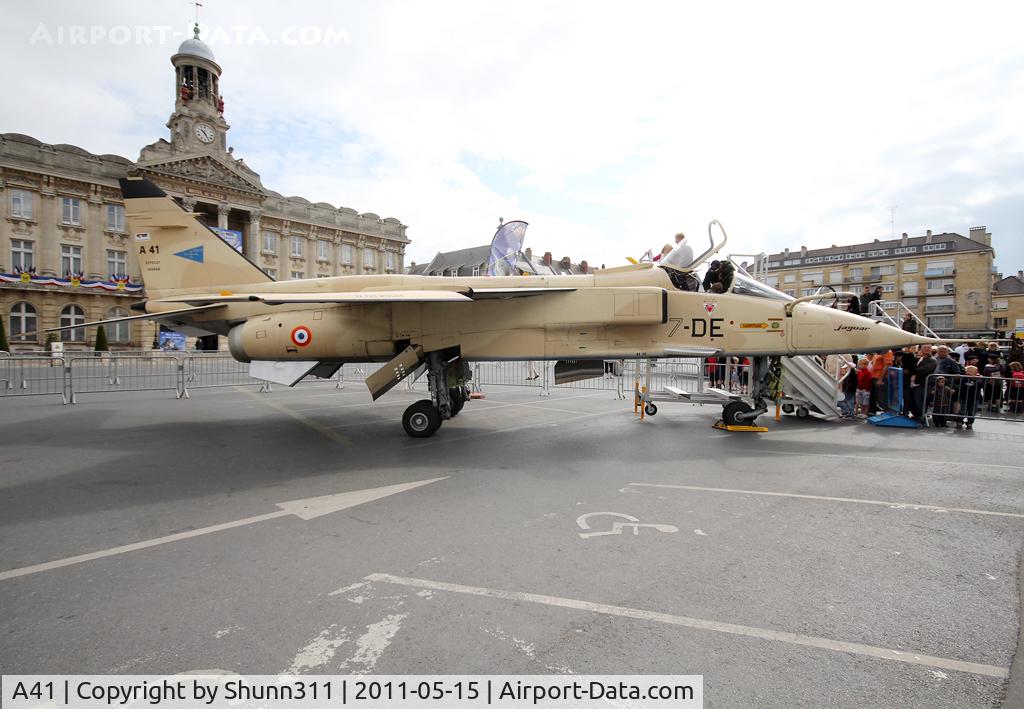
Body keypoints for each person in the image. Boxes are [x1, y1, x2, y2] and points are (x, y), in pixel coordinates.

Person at [909, 344, 936, 419]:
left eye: (929, 348)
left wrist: (910, 370)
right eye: (925, 347)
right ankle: (916, 415)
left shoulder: (932, 360)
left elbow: (923, 370)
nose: (927, 349)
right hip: (915, 384)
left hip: (923, 384)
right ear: (921, 349)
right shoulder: (920, 358)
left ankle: (921, 418)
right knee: (914, 401)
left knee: (920, 402)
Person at [957, 365, 981, 429]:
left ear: (976, 372)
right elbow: (960, 384)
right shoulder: (964, 378)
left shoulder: (978, 379)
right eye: (967, 371)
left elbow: (981, 385)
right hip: (963, 397)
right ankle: (959, 421)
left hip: (974, 398)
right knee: (962, 410)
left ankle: (970, 422)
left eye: (971, 371)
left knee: (972, 411)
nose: (969, 373)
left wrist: (976, 379)